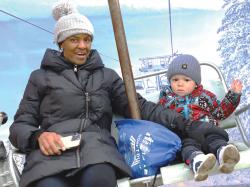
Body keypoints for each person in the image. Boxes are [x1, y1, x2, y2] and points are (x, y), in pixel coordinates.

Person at [9, 2, 228, 187]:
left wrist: (188, 125)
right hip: (50, 157)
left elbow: (143, 107)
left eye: (87, 39)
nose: (83, 46)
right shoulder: (40, 78)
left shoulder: (106, 76)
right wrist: (38, 137)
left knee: (99, 180)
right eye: (74, 39)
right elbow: (19, 126)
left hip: (96, 152)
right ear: (60, 42)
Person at [159, 54, 242, 181]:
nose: (180, 84)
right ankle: (198, 162)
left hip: (207, 130)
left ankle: (225, 155)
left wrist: (233, 96)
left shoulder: (205, 96)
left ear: (196, 83)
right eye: (175, 80)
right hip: (186, 134)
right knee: (186, 147)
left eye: (186, 80)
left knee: (216, 139)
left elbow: (219, 113)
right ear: (170, 81)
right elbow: (160, 116)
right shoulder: (167, 100)